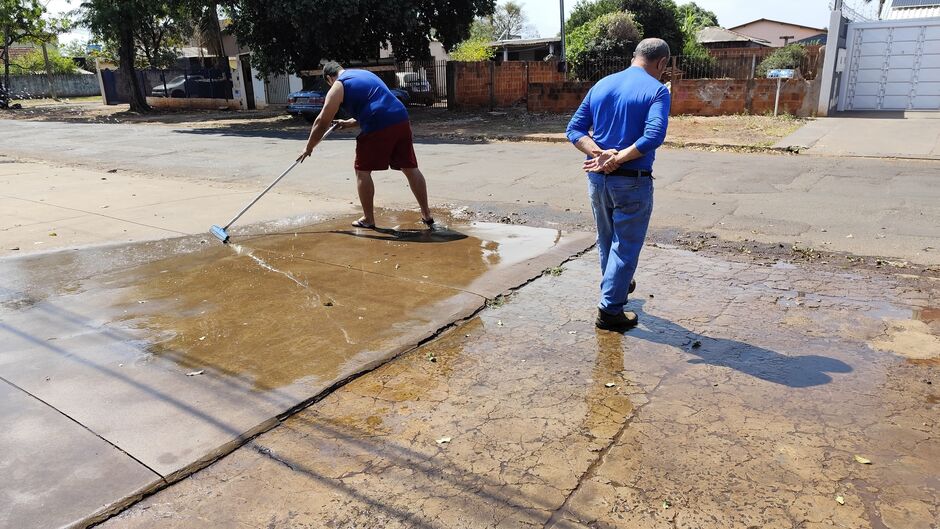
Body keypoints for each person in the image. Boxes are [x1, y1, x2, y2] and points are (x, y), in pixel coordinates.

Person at [566, 38, 672, 332]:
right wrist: (617, 158)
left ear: (634, 56)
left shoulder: (601, 85)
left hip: (598, 180)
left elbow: (574, 130)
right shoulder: (657, 91)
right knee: (625, 246)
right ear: (661, 63)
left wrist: (599, 154)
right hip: (631, 182)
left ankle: (617, 289)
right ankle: (610, 311)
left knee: (607, 240)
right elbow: (653, 137)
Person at [298, 61, 434, 229]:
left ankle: (368, 219)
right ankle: (426, 214)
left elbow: (322, 120)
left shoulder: (339, 85)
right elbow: (377, 103)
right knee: (410, 167)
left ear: (329, 78)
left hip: (379, 122)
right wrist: (349, 123)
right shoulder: (364, 74)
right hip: (400, 117)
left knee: (362, 170)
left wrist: (309, 147)